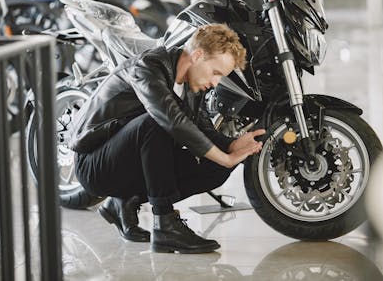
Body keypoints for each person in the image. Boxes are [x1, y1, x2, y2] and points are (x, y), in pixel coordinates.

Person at [70, 23, 265, 254]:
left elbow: (202, 129)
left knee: (216, 167)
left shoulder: (192, 87)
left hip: (128, 161)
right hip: (94, 163)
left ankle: (123, 201)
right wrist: (224, 157)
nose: (215, 83)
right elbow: (170, 120)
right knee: (156, 123)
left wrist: (232, 145)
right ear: (198, 55)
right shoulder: (147, 67)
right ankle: (165, 224)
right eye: (216, 73)